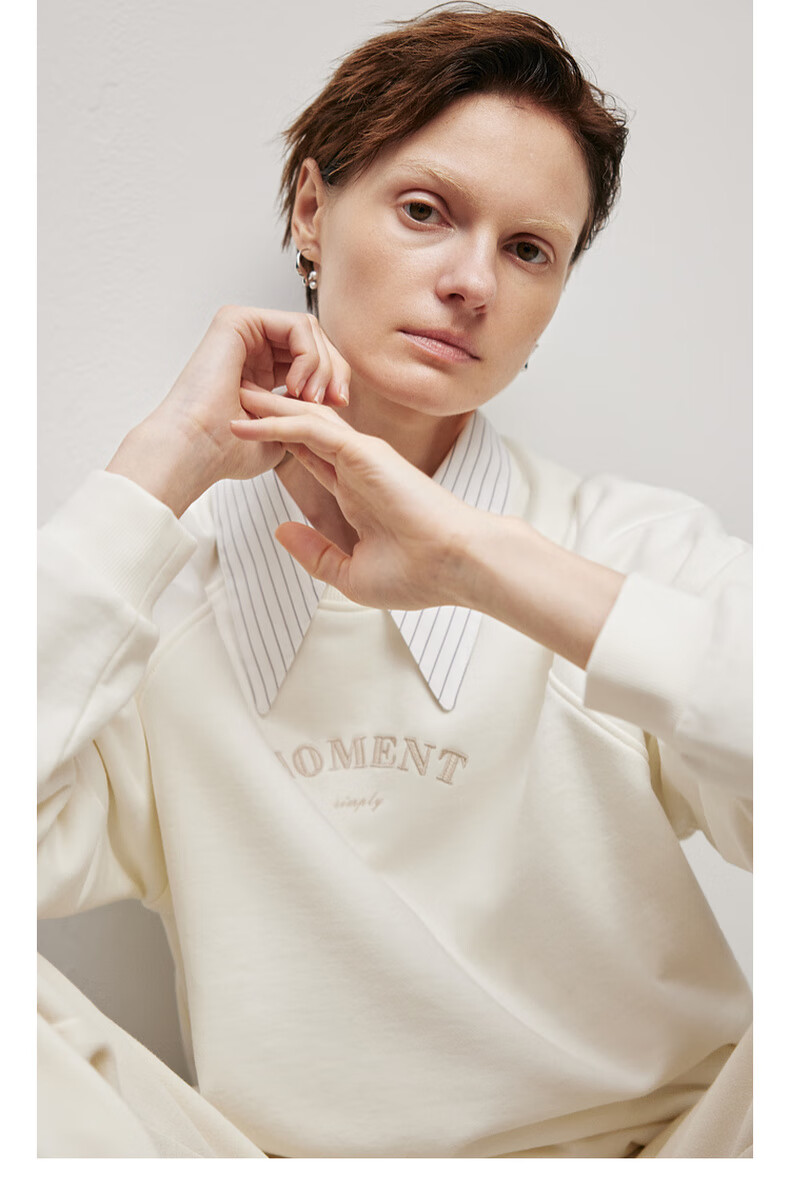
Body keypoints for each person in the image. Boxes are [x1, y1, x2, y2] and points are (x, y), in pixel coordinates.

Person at [37, 3, 752, 1159]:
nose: (473, 280)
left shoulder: (622, 548)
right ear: (311, 212)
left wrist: (479, 564)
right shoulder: (157, 602)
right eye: (426, 211)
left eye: (529, 250)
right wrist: (162, 461)